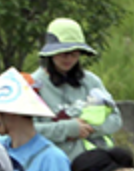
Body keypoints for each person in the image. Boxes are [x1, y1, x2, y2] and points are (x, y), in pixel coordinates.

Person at [32, 19, 121, 161]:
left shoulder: (92, 82)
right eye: (63, 53)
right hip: (53, 167)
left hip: (94, 165)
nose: (69, 58)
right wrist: (69, 128)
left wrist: (89, 128)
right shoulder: (33, 86)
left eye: (74, 53)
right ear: (50, 54)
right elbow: (28, 131)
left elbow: (115, 119)